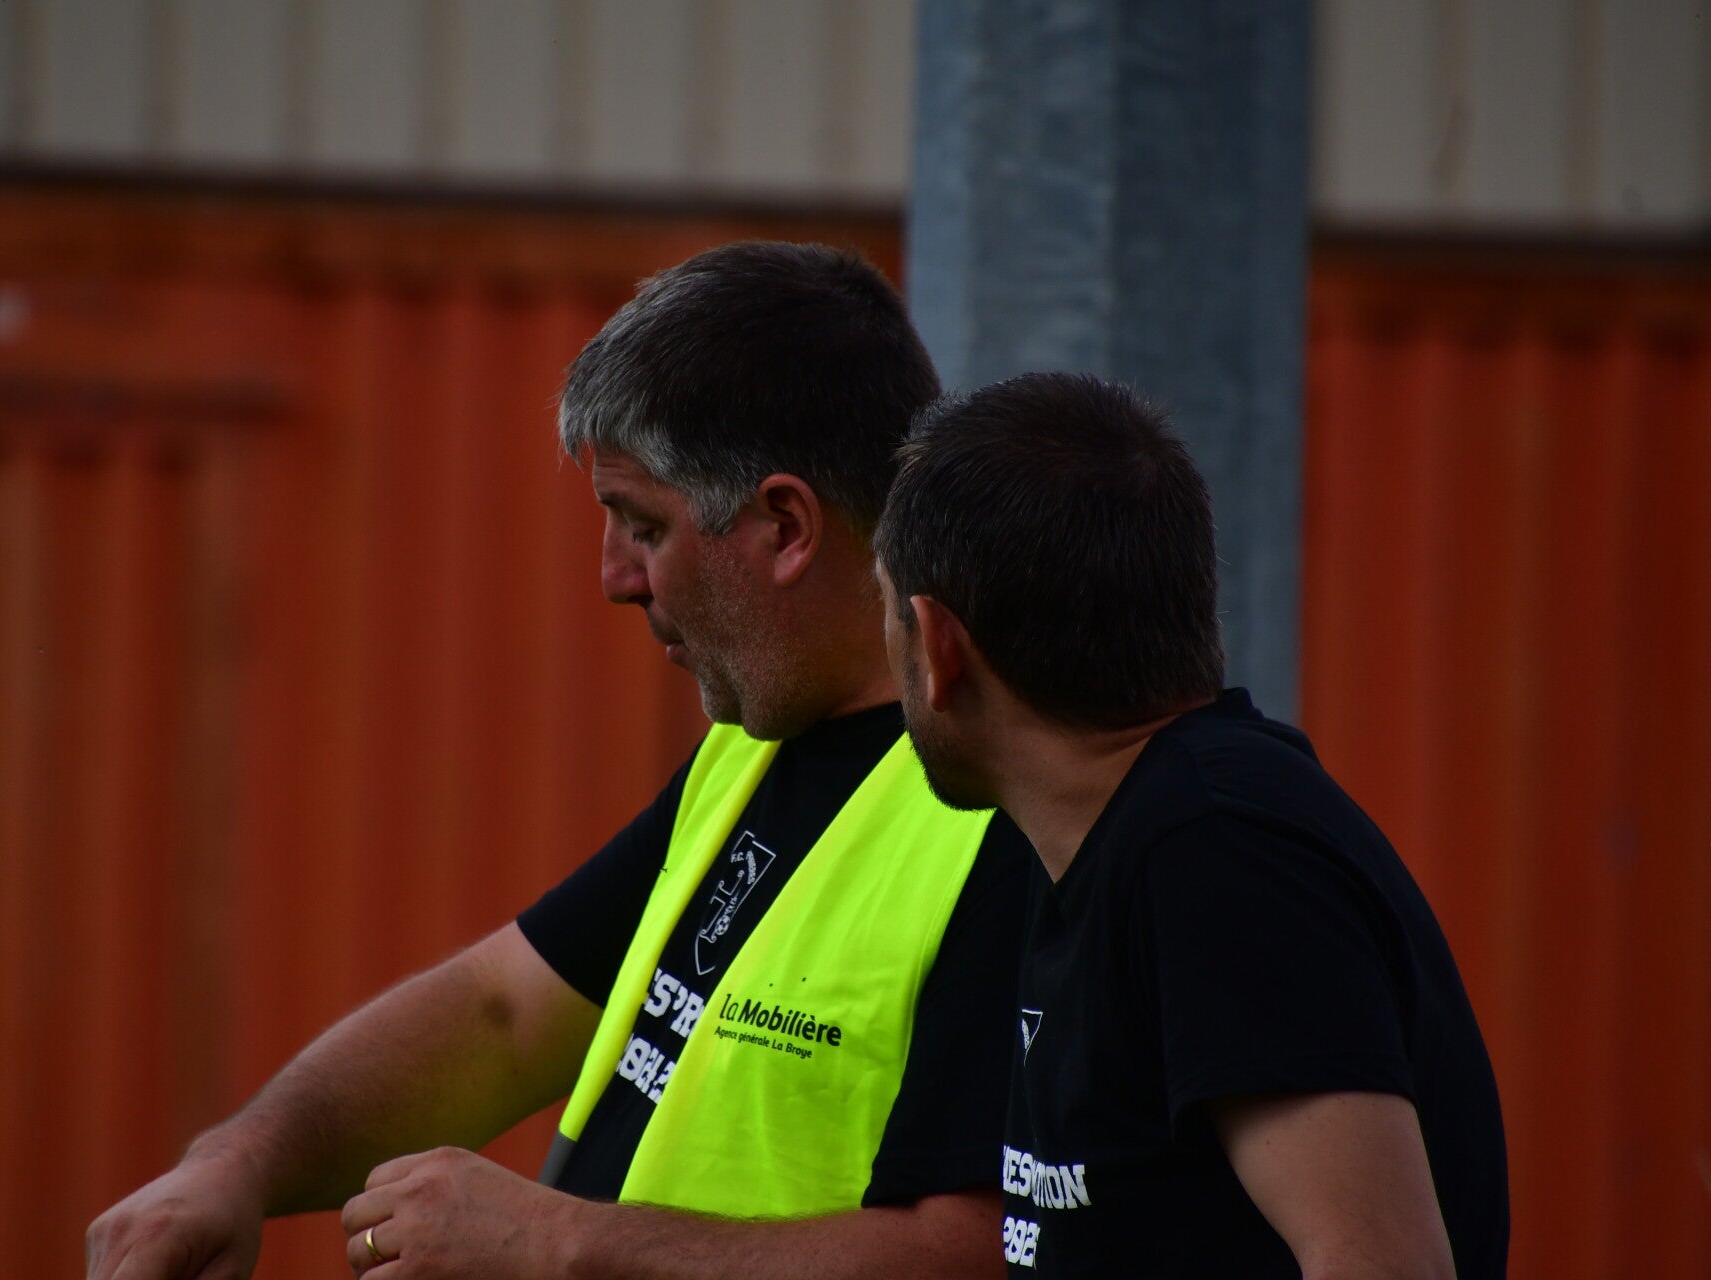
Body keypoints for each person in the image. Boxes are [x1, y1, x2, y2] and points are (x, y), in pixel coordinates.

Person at [86, 242, 1030, 1280]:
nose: (615, 577)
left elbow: (976, 1256)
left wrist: (557, 1241)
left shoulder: (1007, 815)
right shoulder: (753, 753)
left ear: (785, 525)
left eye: (644, 526)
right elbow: (502, 1014)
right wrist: (237, 1162)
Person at [872, 371, 1509, 1278]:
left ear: (938, 647)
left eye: (885, 611)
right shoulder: (1125, 840)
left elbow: (1385, 1265)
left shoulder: (1216, 854)